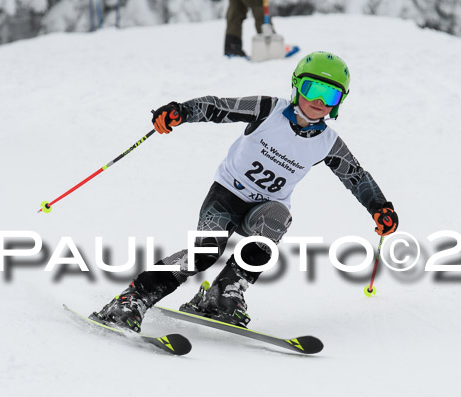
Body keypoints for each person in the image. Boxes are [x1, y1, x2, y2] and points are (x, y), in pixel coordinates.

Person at [92, 51, 399, 332]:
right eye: (311, 89)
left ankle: (224, 293)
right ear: (296, 87)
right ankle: (132, 299)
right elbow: (218, 107)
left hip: (264, 209)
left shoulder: (328, 142)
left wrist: (379, 206)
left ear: (339, 101)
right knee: (204, 254)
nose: (318, 101)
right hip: (226, 196)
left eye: (329, 94)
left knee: (279, 218)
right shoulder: (268, 110)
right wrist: (181, 112)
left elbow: (356, 177)